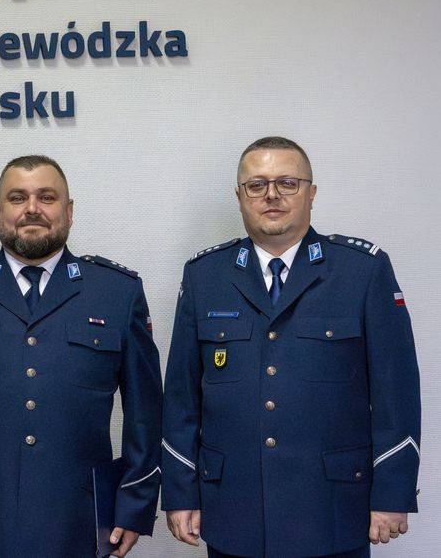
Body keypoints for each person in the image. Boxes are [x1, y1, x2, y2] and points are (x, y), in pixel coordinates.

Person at [161, 136, 421, 557]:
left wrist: (393, 491)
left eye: (287, 183)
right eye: (257, 185)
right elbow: (180, 399)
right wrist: (180, 491)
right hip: (234, 511)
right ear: (239, 197)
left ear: (311, 193)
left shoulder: (362, 271)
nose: (272, 195)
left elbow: (397, 392)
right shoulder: (204, 276)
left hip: (333, 510)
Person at [0, 155, 162, 558]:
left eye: (47, 197)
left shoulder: (117, 292)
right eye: (17, 198)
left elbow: (146, 413)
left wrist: (134, 504)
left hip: (82, 516)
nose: (32, 208)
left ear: (69, 210)